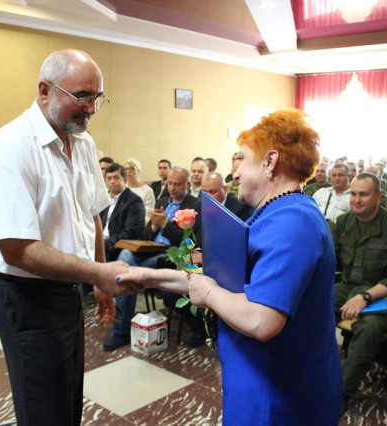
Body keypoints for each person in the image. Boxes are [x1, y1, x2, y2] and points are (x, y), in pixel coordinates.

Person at [118, 109, 342, 425]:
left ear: (270, 162)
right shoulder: (276, 212)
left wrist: (209, 293)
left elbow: (261, 319)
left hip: (278, 395)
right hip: (258, 379)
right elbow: (213, 282)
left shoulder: (293, 222)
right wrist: (147, 277)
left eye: (242, 160)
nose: (234, 174)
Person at [0, 48, 138, 426]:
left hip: (68, 290)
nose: (91, 109)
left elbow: (91, 215)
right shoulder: (11, 147)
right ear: (44, 90)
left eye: (97, 98)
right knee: (43, 410)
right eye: (82, 97)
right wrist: (97, 273)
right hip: (27, 297)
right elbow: (17, 250)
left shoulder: (82, 142)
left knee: (67, 403)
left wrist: (97, 278)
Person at [331, 173, 387, 413]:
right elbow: (326, 256)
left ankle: (340, 392)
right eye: (354, 194)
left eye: (363, 195)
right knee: (311, 306)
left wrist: (365, 297)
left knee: (369, 329)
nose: (356, 200)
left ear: (378, 196)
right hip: (348, 287)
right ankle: (311, 372)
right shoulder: (343, 222)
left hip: (385, 294)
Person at [102, 166, 203, 351]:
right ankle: (121, 327)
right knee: (125, 257)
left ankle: (121, 331)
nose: (172, 188)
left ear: (188, 184)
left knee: (130, 273)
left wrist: (164, 223)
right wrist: (154, 227)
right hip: (151, 249)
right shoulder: (162, 201)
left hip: (172, 254)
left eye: (177, 184)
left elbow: (188, 241)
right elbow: (146, 236)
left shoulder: (195, 205)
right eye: (169, 183)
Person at [100, 163, 146, 261]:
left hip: (117, 247)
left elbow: (130, 234)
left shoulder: (134, 201)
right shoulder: (103, 199)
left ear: (125, 180)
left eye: (116, 178)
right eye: (109, 178)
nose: (112, 182)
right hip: (101, 243)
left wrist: (103, 243)